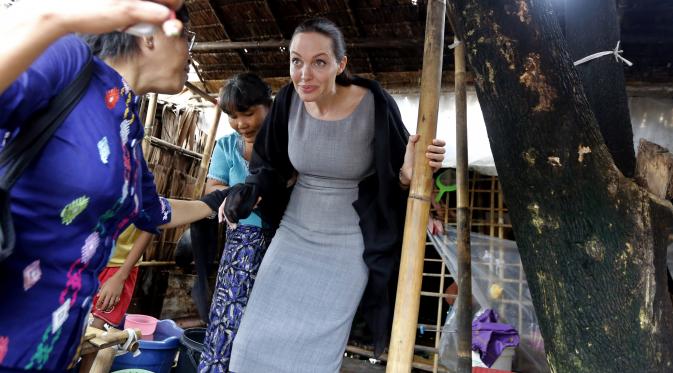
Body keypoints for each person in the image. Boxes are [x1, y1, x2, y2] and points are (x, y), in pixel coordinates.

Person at [0, 1, 227, 371]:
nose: (190, 53)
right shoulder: (70, 62)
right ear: (153, 35)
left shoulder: (128, 128)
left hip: (50, 351)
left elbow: (155, 210)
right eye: (189, 39)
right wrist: (52, 18)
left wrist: (220, 199)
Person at [221, 18, 446, 373]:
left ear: (341, 64)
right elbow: (270, 167)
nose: (304, 73)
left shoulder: (374, 103)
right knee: (253, 340)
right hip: (293, 234)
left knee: (316, 352)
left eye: (319, 62)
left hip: (348, 244)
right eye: (297, 61)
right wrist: (250, 191)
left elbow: (398, 176)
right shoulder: (287, 103)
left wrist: (407, 175)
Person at [198, 73, 273, 373]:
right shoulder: (227, 146)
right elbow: (212, 188)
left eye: (249, 113)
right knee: (228, 317)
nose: (242, 123)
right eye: (234, 116)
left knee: (264, 318)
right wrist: (238, 194)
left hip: (279, 241)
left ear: (268, 106)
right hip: (239, 244)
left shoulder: (282, 144)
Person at [90, 225, 152, 329]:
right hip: (84, 261)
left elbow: (152, 226)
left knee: (96, 328)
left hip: (118, 267)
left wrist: (121, 276)